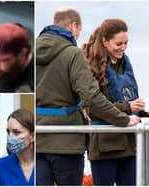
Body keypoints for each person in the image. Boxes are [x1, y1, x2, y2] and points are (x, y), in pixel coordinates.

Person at [36, 8, 140, 185]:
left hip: (38, 139)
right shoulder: (72, 53)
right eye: (79, 30)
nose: (77, 35)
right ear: (73, 26)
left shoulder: (31, 50)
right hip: (68, 142)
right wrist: (124, 118)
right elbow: (91, 98)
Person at [82, 18, 149, 185]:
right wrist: (128, 107)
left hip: (130, 145)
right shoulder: (90, 66)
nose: (124, 47)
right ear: (105, 41)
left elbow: (131, 99)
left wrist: (142, 110)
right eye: (119, 43)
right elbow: (93, 109)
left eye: (126, 43)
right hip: (105, 147)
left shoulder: (124, 64)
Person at [0, 109, 34, 185]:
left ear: (32, 136)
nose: (10, 137)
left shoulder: (44, 165)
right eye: (8, 132)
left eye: (16, 132)